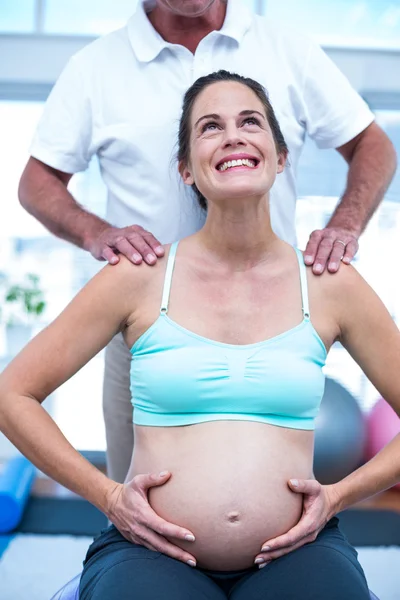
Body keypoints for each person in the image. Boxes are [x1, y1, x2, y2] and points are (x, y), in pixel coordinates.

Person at [2, 69, 399, 599]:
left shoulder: (328, 283)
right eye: (210, 127)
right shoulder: (138, 276)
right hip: (147, 551)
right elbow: (13, 393)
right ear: (187, 170)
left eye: (250, 122)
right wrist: (107, 495)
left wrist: (341, 495)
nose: (233, 135)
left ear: (281, 158)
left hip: (299, 550)